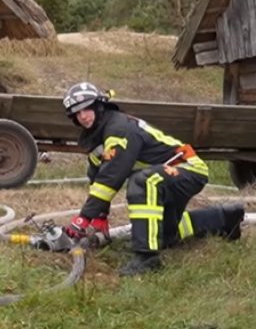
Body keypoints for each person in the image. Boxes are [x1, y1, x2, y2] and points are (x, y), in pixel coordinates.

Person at [62, 81, 245, 276]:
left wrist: (83, 218)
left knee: (142, 182)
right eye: (77, 113)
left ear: (98, 105)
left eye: (86, 109)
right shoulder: (98, 136)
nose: (82, 116)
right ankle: (225, 218)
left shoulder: (119, 128)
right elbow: (98, 178)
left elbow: (111, 176)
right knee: (164, 235)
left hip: (187, 168)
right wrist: (99, 216)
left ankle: (146, 258)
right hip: (163, 174)